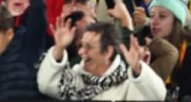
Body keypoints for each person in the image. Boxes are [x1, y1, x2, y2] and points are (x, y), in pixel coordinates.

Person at [37, 21, 167, 99]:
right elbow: (46, 85)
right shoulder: (75, 78)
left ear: (107, 52)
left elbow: (157, 96)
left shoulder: (127, 85)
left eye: (88, 47)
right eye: (81, 46)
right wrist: (59, 49)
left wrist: (138, 70)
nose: (81, 52)